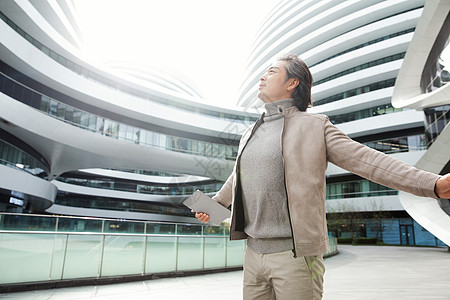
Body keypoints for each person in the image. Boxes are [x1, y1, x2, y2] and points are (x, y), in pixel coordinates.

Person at [193, 54, 450, 300]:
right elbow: (240, 175)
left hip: (297, 256)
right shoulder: (250, 132)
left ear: (292, 83)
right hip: (252, 255)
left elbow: (369, 161)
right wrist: (215, 204)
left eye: (271, 72)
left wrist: (432, 184)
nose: (262, 77)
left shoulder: (316, 126)